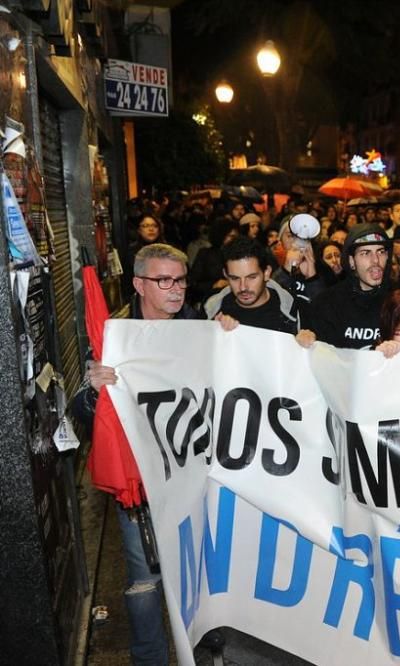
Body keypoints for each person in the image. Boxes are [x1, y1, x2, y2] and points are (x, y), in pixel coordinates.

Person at [76, 244, 237, 665]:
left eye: (180, 279)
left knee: (200, 561)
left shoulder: (198, 327)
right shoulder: (116, 336)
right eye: (163, 280)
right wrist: (96, 391)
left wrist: (231, 338)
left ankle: (207, 639)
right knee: (145, 579)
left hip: (192, 472)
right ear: (138, 284)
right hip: (141, 484)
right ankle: (150, 657)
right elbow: (80, 411)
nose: (175, 289)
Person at [309, 223, 392, 348]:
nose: (375, 260)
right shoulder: (327, 303)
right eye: (365, 253)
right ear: (351, 261)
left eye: (380, 252)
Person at [204, 237, 300, 335]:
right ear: (225, 275)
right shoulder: (212, 309)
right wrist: (213, 332)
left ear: (266, 273)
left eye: (251, 277)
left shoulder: (292, 309)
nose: (243, 287)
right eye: (235, 278)